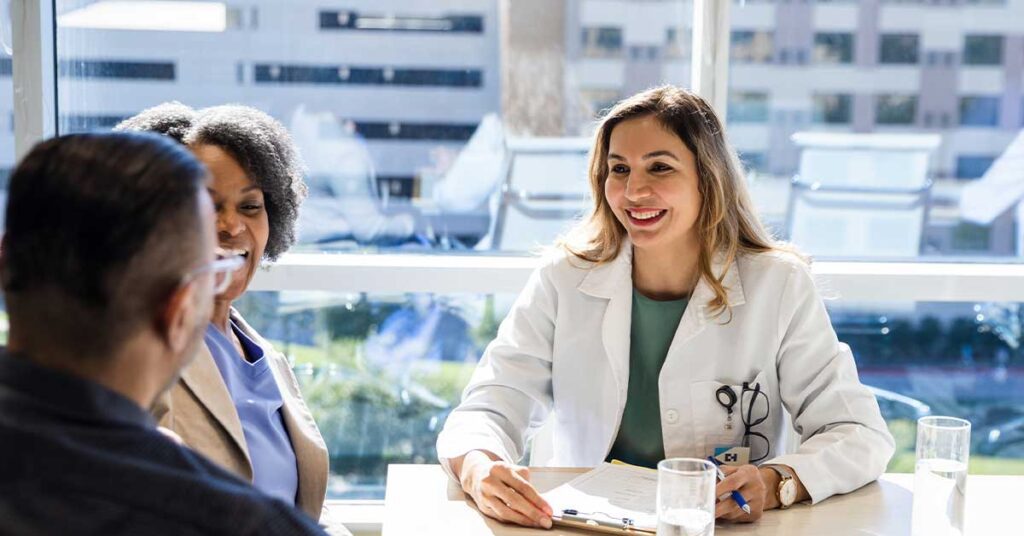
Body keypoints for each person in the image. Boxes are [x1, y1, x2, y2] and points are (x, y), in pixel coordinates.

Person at [435, 86, 895, 528]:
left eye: (659, 168)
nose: (634, 191)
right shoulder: (564, 278)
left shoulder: (778, 286)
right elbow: (489, 407)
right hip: (584, 526)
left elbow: (859, 433)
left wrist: (778, 483)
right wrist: (479, 465)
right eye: (619, 169)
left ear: (707, 178)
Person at [0, 132, 326, 535]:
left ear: (5, 262)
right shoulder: (228, 520)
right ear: (181, 308)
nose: (230, 226)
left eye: (250, 206)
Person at [116, 103, 334, 522]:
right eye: (206, 205)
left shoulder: (264, 356)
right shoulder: (133, 352)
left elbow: (298, 510)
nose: (231, 226)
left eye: (250, 207)